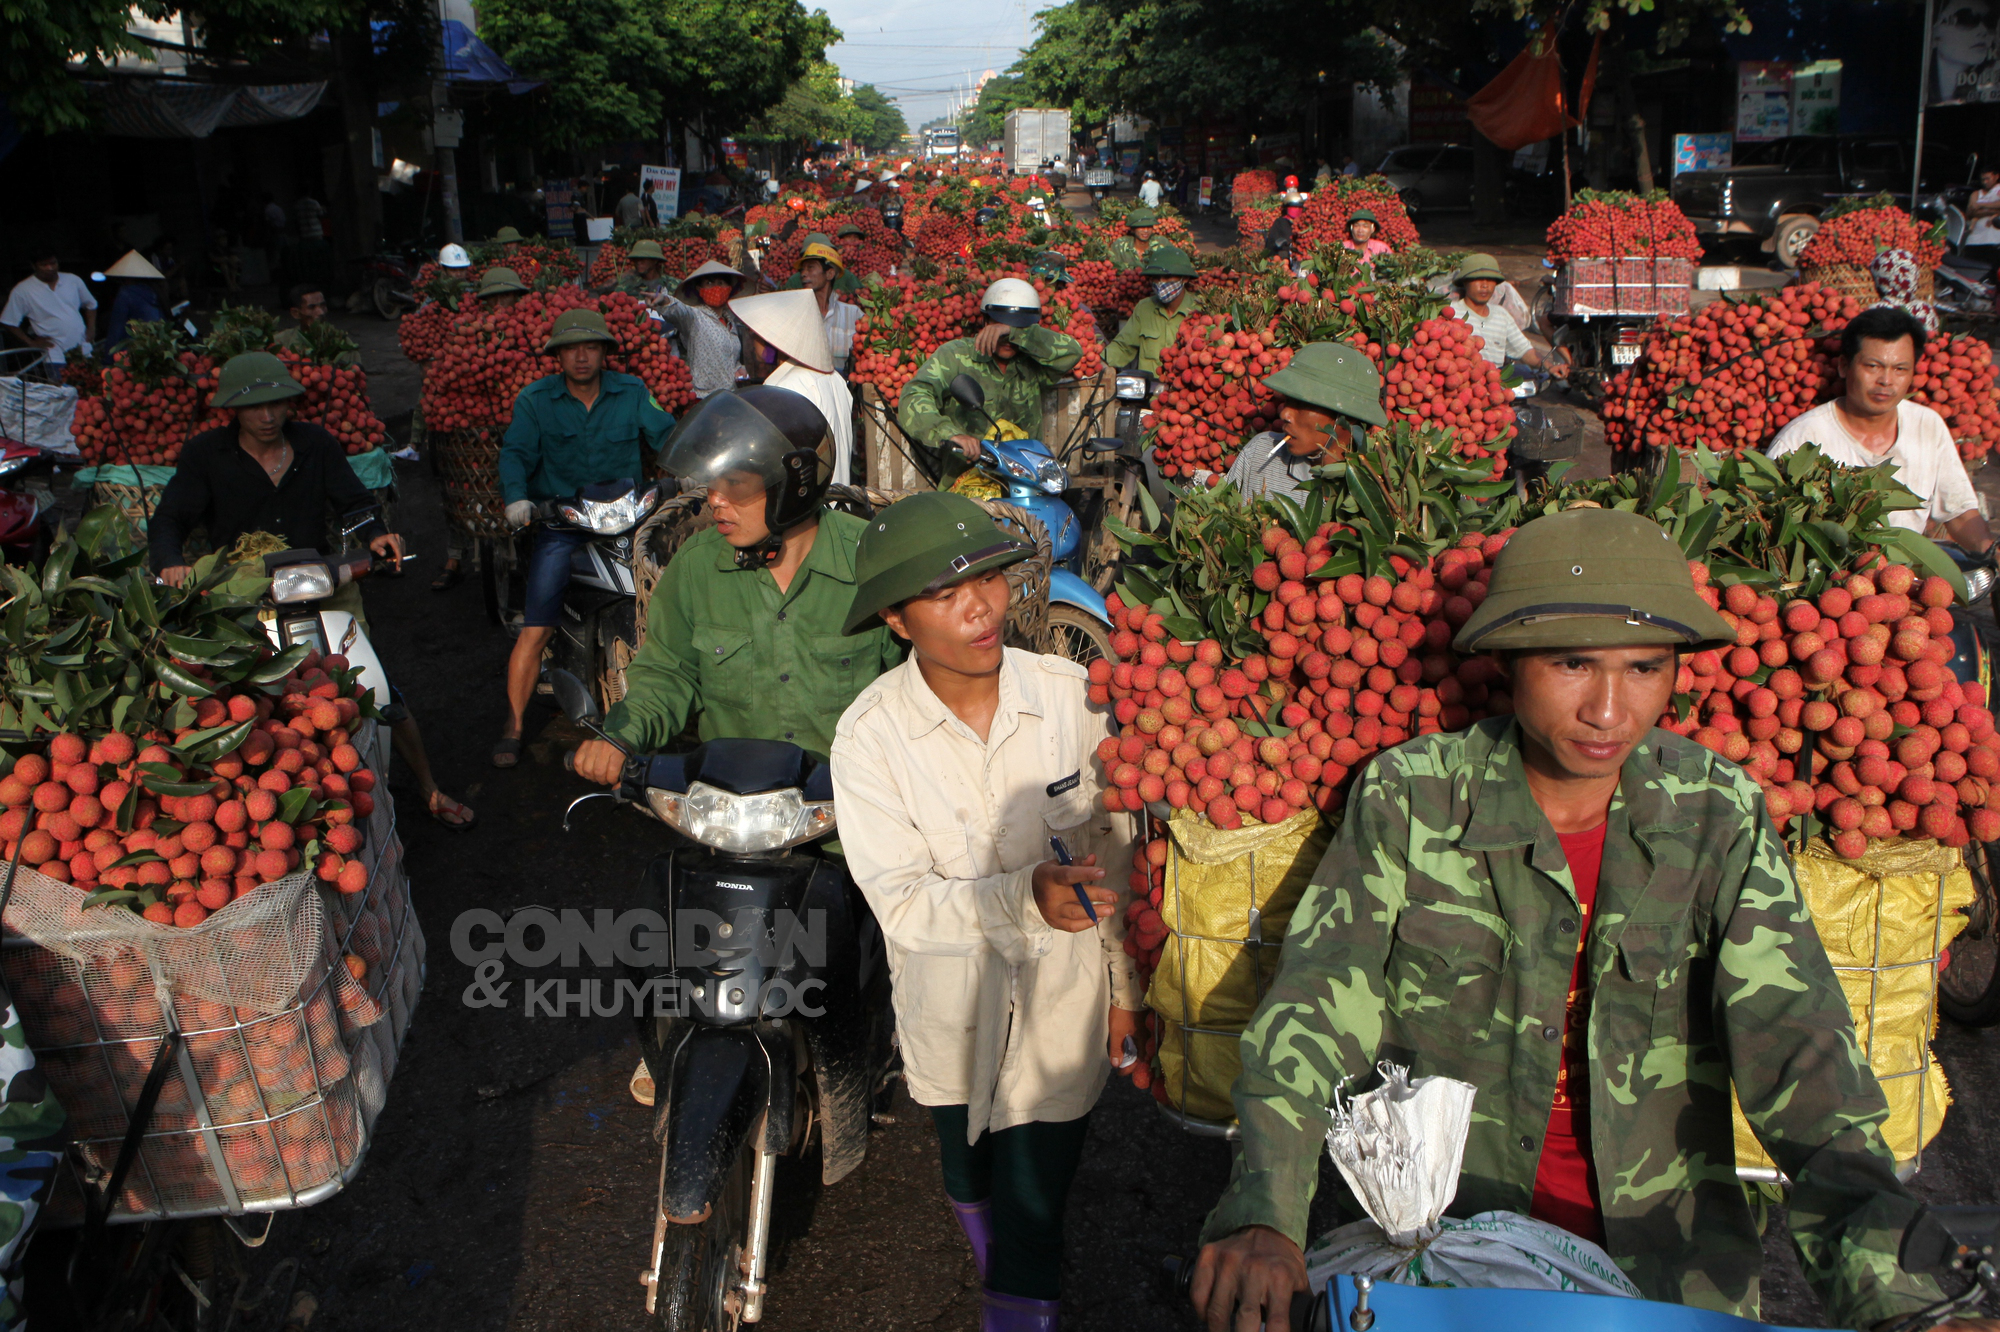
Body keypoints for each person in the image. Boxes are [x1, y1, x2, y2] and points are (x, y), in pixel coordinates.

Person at [1189, 506, 1967, 1332]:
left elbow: (1800, 1050)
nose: (1609, 709)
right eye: (1572, 664)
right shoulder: (1413, 797)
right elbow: (1316, 1003)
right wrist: (1263, 1208)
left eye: (1644, 668)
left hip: (1659, 1265)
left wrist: (1913, 1297)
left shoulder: (1714, 812)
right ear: (1509, 661)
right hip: (1437, 1254)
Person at [830, 492, 1144, 1329]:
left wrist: (1124, 991)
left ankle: (1016, 1297)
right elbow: (901, 903)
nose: (978, 607)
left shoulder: (1074, 698)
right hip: (949, 1015)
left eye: (989, 579)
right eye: (942, 593)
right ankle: (993, 1259)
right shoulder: (869, 740)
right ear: (897, 620)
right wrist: (1023, 896)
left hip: (1062, 1015)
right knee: (966, 1169)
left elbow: (1116, 854)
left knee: (1035, 1212)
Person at [570, 389, 905, 1104]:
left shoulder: (873, 563)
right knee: (660, 933)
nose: (716, 502)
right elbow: (666, 675)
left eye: (738, 487)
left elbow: (917, 680)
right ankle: (678, 1034)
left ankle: (884, 1041)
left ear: (794, 486)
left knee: (899, 960)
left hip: (848, 820)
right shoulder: (698, 566)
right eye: (711, 486)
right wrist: (619, 735)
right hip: (736, 814)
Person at [150, 353, 475, 830]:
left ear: (289, 405)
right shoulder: (206, 455)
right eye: (254, 407)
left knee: (377, 690)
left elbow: (354, 501)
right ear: (232, 411)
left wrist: (376, 534)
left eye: (276, 404)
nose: (267, 416)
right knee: (257, 702)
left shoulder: (315, 445)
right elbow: (170, 517)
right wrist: (170, 563)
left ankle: (428, 788)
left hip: (316, 581)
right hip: (242, 595)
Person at [493, 309, 677, 767]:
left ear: (603, 353)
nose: (581, 356)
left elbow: (667, 435)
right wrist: (517, 498)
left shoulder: (632, 391)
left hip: (628, 517)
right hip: (565, 522)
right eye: (571, 348)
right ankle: (513, 724)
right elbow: (515, 453)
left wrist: (687, 469)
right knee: (537, 627)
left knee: (673, 599)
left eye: (590, 347)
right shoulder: (535, 400)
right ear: (557, 356)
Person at [1768, 305, 1993, 556]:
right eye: (1873, 366)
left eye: (1900, 369)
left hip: (1905, 581)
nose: (1886, 381)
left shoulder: (1927, 425)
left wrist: (1989, 550)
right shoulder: (1802, 439)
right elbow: (1769, 525)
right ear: (1844, 366)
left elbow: (1959, 512)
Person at [898, 279, 1083, 485]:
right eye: (999, 324)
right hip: (967, 481)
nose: (1007, 339)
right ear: (985, 321)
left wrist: (1015, 334)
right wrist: (951, 434)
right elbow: (914, 394)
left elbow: (1073, 352)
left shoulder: (1032, 361)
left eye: (1017, 327)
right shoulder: (956, 356)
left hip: (1026, 483)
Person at [1205, 342, 1387, 505]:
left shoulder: (1378, 487)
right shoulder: (1260, 454)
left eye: (1303, 404)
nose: (1285, 413)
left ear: (1348, 417)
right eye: (1288, 400)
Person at [731, 288, 855, 484]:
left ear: (772, 341)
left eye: (755, 335)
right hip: (839, 499)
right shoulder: (834, 379)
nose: (752, 342)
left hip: (807, 508)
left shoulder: (784, 387)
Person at [1451, 254, 1565, 378]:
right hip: (1463, 380)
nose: (1485, 285)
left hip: (1496, 383)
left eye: (1490, 280)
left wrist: (1549, 366)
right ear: (1464, 282)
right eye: (1477, 279)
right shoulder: (1451, 312)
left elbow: (1524, 350)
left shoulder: (1501, 315)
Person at [657, 259, 754, 398]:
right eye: (709, 283)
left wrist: (738, 369)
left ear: (729, 288)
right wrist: (665, 301)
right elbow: (678, 311)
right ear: (699, 290)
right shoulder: (695, 317)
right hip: (703, 398)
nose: (716, 288)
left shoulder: (730, 322)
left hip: (730, 396)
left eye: (721, 283)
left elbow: (731, 358)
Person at [1107, 246, 1198, 376]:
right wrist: (1101, 362)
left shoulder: (1200, 310)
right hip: (1148, 392)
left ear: (1185, 279)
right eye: (1156, 278)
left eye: (1167, 277)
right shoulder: (1144, 308)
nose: (1161, 283)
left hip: (1184, 392)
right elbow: (1123, 346)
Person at [2, 251, 96, 366]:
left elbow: (91, 304)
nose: (50, 268)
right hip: (53, 353)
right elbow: (8, 321)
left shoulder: (73, 280)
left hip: (83, 347)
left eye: (53, 263)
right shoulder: (22, 290)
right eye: (44, 265)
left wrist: (91, 328)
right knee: (59, 383)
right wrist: (31, 343)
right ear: (34, 266)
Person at [788, 237, 861, 371]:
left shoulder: (853, 314)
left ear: (829, 274)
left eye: (810, 268)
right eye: (802, 270)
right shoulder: (795, 316)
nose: (803, 274)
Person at [272, 283, 358, 365]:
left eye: (323, 306)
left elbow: (356, 373)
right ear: (295, 313)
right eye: (311, 307)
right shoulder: (281, 342)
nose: (321, 312)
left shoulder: (342, 342)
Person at [101, 250, 166, 348]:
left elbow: (116, 329)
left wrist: (108, 359)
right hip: (155, 346)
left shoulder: (126, 293)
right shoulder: (153, 291)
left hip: (135, 349)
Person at [617, 240, 671, 304]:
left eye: (643, 258)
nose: (638, 262)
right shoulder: (626, 284)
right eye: (636, 259)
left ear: (655, 260)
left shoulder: (673, 284)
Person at [1966, 166, 2000, 261]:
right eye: (1983, 179)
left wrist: (1981, 205)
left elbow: (1977, 208)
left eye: (1987, 178)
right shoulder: (1976, 194)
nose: (1985, 182)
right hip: (1974, 241)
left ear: (1996, 176)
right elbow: (1971, 212)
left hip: (1995, 242)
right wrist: (1995, 210)